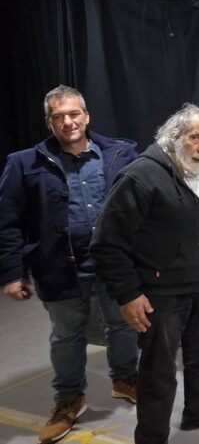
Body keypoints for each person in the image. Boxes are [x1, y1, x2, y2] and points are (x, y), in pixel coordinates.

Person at [90, 104, 199, 444]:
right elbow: (106, 243)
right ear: (174, 137)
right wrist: (128, 294)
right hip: (163, 293)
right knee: (158, 370)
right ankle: (151, 436)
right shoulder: (141, 175)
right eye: (195, 138)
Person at [0, 85, 139, 444]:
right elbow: (8, 222)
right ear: (48, 121)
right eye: (58, 116)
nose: (67, 121)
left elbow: (142, 207)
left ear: (86, 116)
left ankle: (126, 378)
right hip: (58, 268)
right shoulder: (23, 163)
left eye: (74, 113)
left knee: (123, 325)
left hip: (115, 265)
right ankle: (68, 398)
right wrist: (13, 272)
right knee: (66, 336)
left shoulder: (119, 153)